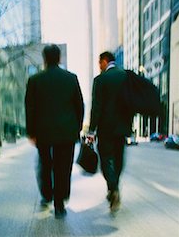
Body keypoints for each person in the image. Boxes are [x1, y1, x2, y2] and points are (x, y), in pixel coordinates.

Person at [25, 44, 84, 218]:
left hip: (43, 132)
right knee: (63, 167)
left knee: (45, 164)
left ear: (44, 59)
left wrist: (31, 132)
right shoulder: (71, 78)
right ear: (59, 58)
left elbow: (30, 108)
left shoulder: (35, 80)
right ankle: (60, 203)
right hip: (66, 132)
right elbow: (79, 106)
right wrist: (77, 128)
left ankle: (47, 194)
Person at [88, 51, 133, 213]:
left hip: (105, 129)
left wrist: (91, 130)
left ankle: (113, 188)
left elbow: (97, 107)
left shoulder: (100, 80)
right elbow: (131, 103)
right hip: (122, 128)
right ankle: (114, 188)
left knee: (106, 160)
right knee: (119, 158)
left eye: (99, 63)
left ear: (105, 61)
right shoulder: (126, 76)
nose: (99, 66)